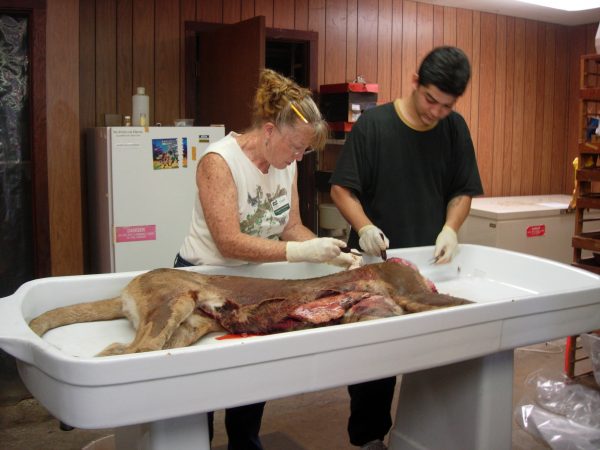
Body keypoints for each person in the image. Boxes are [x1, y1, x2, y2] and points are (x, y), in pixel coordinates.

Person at [175, 68, 361, 450]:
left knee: (253, 373)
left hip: (255, 281)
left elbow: (291, 226)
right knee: (202, 384)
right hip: (204, 280)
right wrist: (298, 252)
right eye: (295, 146)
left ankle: (244, 442)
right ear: (269, 130)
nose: (299, 156)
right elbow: (228, 242)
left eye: (304, 150)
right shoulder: (219, 162)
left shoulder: (286, 164)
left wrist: (330, 253)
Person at [330, 46, 484, 450]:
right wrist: (362, 227)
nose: (436, 112)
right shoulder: (375, 126)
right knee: (373, 366)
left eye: (446, 106)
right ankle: (369, 440)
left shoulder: (454, 130)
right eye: (430, 100)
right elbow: (342, 188)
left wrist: (451, 228)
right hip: (374, 265)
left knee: (435, 354)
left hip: (428, 267)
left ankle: (427, 433)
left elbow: (463, 190)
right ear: (415, 82)